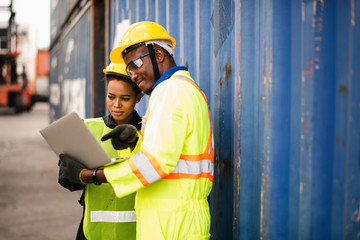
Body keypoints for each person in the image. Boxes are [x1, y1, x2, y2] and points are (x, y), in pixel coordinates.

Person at [60, 21, 214, 240]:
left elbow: (156, 162)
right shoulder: (188, 90)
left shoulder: (169, 91)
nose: (132, 75)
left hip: (171, 224)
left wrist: (92, 175)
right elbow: (174, 152)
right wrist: (135, 141)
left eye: (134, 64)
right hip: (179, 219)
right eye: (130, 69)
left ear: (158, 54)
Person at [58, 61, 143, 240]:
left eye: (125, 98)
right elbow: (67, 181)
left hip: (139, 233)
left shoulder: (149, 132)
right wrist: (73, 174)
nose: (116, 105)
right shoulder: (87, 129)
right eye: (111, 96)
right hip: (93, 232)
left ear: (139, 97)